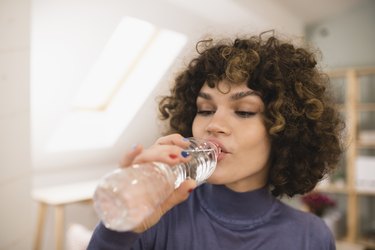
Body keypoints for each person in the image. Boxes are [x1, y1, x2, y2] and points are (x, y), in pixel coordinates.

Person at [87, 31, 345, 250]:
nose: (214, 125)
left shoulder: (312, 236)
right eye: (205, 110)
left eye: (244, 111)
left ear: (284, 130)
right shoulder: (156, 217)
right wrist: (117, 232)